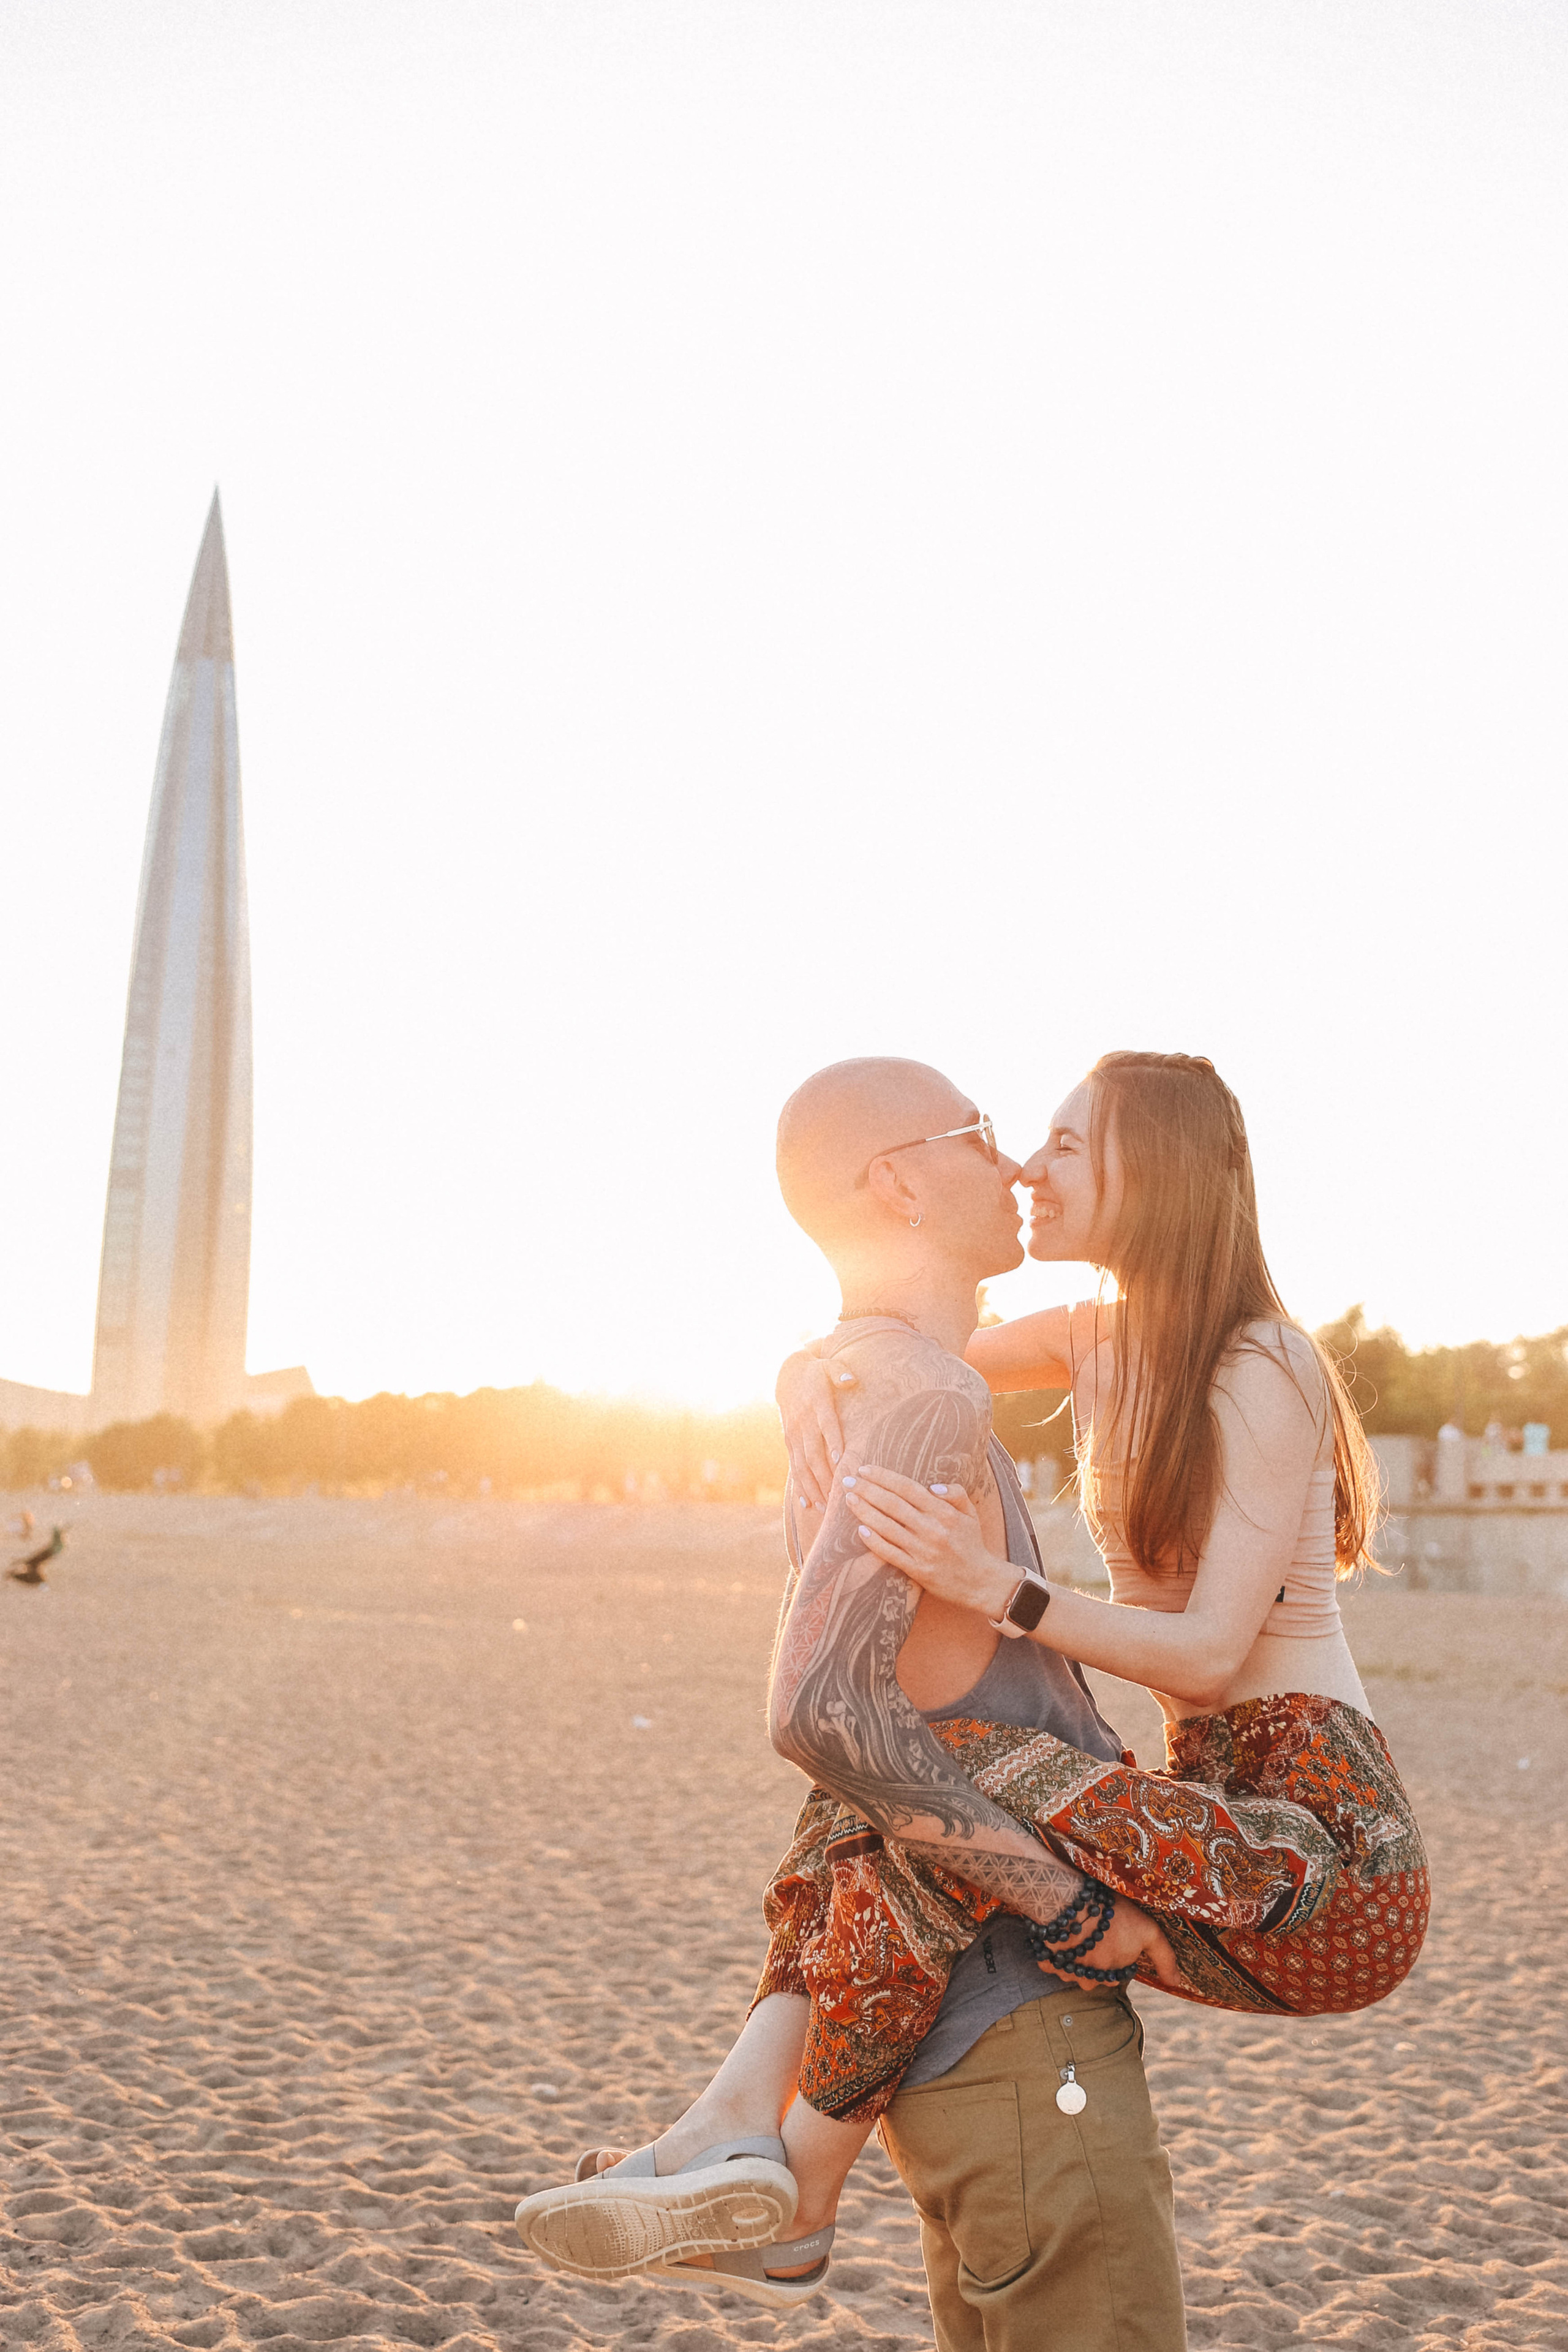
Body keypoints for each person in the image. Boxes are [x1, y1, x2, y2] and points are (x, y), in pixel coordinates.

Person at [518, 1052, 1428, 2348]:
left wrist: (999, 1590)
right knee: (887, 1793)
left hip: (1319, 1848)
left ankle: (769, 2155)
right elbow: (896, 1355)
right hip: (1193, 1832)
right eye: (1005, 1138)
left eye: (1058, 1142)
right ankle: (771, 2166)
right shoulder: (1091, 1339)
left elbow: (1213, 1657)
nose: (1022, 1166)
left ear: (1154, 1170)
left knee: (942, 1759)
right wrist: (800, 1379)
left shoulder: (1260, 1362)